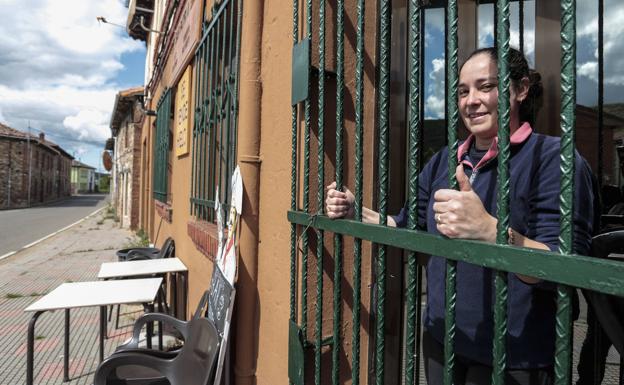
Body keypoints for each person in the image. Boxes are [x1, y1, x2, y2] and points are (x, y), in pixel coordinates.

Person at [325, 47, 594, 385]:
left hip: (516, 354)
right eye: (463, 91)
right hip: (442, 340)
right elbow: (409, 224)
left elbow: (567, 268)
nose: (472, 100)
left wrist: (491, 231)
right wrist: (356, 212)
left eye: (486, 86)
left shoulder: (555, 159)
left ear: (520, 90)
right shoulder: (443, 161)